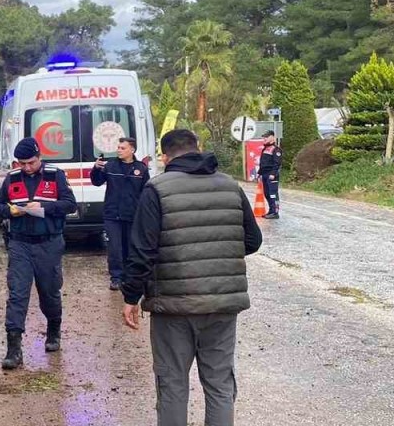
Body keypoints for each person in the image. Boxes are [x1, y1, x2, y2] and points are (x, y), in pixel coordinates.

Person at [121, 129, 263, 426]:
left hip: (174, 307)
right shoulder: (229, 185)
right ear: (198, 148)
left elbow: (142, 252)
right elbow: (252, 240)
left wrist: (131, 297)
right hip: (223, 304)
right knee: (220, 384)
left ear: (165, 156)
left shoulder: (156, 189)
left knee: (172, 382)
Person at [0, 136, 77, 369]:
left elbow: (70, 204)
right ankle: (14, 349)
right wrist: (10, 211)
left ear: (40, 158)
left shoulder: (55, 175)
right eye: (22, 163)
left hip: (49, 242)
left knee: (49, 292)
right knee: (17, 294)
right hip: (20, 244)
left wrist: (45, 208)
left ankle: (54, 329)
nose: (26, 167)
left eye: (31, 162)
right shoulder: (12, 179)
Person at [91, 137, 151, 291]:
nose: (118, 150)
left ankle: (130, 277)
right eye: (118, 147)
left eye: (122, 148)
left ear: (132, 150)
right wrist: (96, 169)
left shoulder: (141, 169)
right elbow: (97, 182)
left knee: (130, 247)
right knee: (114, 248)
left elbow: (146, 193)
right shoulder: (110, 166)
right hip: (113, 215)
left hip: (132, 215)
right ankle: (116, 278)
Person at [257, 130, 282, 219]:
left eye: (266, 137)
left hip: (271, 175)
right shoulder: (265, 148)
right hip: (264, 174)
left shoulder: (276, 149)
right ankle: (271, 211)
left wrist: (273, 174)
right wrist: (259, 173)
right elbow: (263, 163)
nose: (264, 138)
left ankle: (275, 212)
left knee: (273, 194)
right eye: (264, 137)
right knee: (267, 193)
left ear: (272, 137)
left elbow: (277, 163)